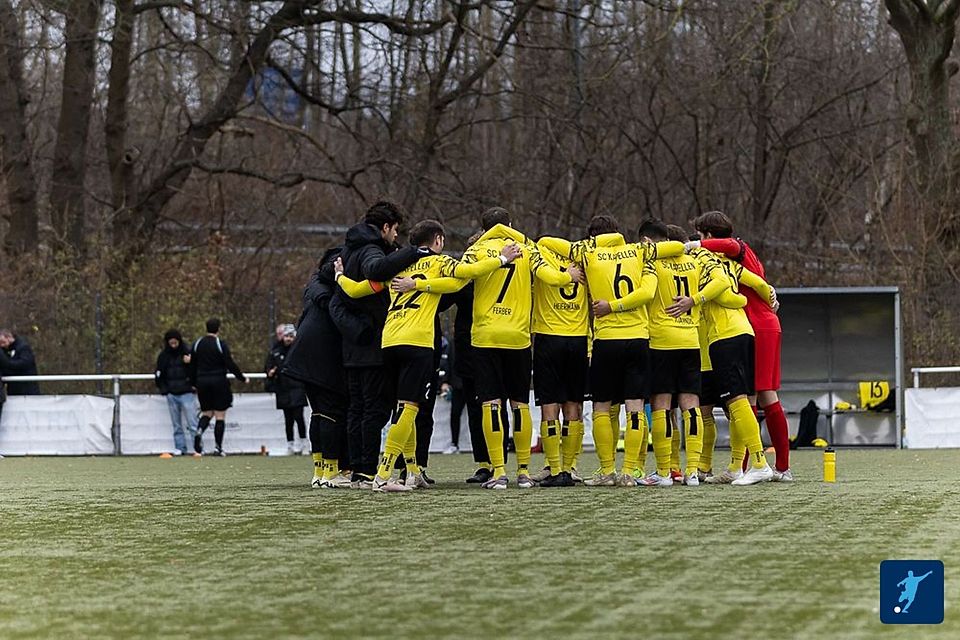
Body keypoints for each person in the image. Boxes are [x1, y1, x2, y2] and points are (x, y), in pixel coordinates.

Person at [335, 218, 506, 491]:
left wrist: (339, 276)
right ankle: (383, 474)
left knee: (403, 408)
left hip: (389, 341)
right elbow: (469, 272)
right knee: (410, 408)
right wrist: (501, 258)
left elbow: (356, 290)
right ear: (438, 240)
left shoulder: (398, 268)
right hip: (418, 343)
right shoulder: (441, 263)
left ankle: (412, 470)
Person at [541, 215, 683, 487]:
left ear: (592, 236)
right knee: (635, 407)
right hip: (638, 339)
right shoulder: (640, 251)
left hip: (606, 340)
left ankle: (607, 471)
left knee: (602, 407)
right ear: (618, 232)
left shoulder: (587, 250)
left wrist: (609, 306)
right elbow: (672, 254)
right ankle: (629, 472)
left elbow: (547, 242)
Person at [444, 208, 577, 490]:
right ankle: (525, 472)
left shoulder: (478, 248)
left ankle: (499, 472)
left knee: (491, 404)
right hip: (518, 337)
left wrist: (418, 283)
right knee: (520, 404)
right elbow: (550, 277)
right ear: (511, 225)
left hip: (485, 336)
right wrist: (569, 275)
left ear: (485, 228)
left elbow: (458, 276)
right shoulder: (527, 247)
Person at [628, 220, 741, 487]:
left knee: (662, 406)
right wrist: (695, 299)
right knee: (691, 406)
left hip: (662, 341)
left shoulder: (653, 261)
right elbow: (722, 281)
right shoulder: (695, 262)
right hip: (690, 340)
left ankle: (665, 472)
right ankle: (692, 471)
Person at [688, 211, 792, 480]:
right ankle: (747, 466)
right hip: (761, 323)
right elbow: (758, 283)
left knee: (757, 396)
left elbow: (730, 246)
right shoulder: (735, 261)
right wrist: (768, 297)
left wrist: (694, 247)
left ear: (709, 236)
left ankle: (773, 466)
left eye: (701, 236)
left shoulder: (735, 249)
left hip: (755, 325)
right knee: (754, 397)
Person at [330, 200, 424, 488]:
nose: (396, 237)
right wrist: (412, 252)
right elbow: (377, 270)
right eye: (395, 231)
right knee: (375, 410)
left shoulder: (349, 249)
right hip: (372, 343)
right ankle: (371, 473)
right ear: (385, 227)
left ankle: (359, 471)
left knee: (357, 408)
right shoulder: (371, 249)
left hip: (352, 345)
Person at [283, 247, 357, 488]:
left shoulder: (314, 286)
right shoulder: (337, 287)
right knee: (332, 414)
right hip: (322, 357)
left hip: (302, 357)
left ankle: (320, 471)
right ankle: (332, 471)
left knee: (319, 413)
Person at [529, 235, 588, 487]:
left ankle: (554, 467)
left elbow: (542, 242)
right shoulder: (586, 260)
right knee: (573, 406)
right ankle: (569, 466)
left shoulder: (542, 254)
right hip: (578, 339)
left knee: (549, 405)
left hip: (548, 337)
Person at [189, 318, 248, 456]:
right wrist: (242, 377)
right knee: (220, 415)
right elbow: (229, 363)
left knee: (207, 413)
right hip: (218, 381)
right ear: (218, 329)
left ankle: (199, 432)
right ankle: (218, 448)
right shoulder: (219, 344)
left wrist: (193, 383)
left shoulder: (197, 344)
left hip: (202, 382)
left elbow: (192, 366)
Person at [265, 324, 308, 455]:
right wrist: (270, 372)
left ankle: (303, 444)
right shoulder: (275, 351)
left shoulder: (299, 350)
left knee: (299, 417)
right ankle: (290, 445)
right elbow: (268, 367)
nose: (288, 339)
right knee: (288, 419)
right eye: (286, 336)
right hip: (283, 389)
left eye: (291, 336)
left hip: (297, 388)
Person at [154, 329, 198, 455]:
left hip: (187, 393)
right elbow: (158, 374)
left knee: (193, 423)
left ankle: (198, 448)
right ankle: (180, 447)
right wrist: (164, 390)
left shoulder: (188, 353)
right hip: (172, 394)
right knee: (177, 425)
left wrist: (190, 365)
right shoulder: (163, 356)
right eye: (171, 343)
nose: (173, 345)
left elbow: (196, 370)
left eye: (175, 343)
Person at [0, 329, 40, 395]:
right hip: (13, 389)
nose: (2, 345)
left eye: (2, 342)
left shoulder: (23, 347)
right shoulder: (5, 350)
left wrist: (7, 363)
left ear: (9, 337)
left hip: (27, 389)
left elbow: (24, 364)